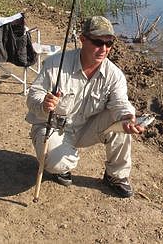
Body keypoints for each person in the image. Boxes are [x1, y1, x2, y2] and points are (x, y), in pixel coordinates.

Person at [26, 16, 145, 198]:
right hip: (52, 127)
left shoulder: (115, 75)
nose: (103, 49)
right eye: (97, 42)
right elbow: (33, 95)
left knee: (120, 121)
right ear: (82, 40)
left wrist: (127, 117)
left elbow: (120, 102)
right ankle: (61, 164)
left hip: (86, 129)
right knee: (58, 163)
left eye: (109, 43)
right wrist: (44, 104)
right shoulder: (55, 64)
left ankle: (116, 176)